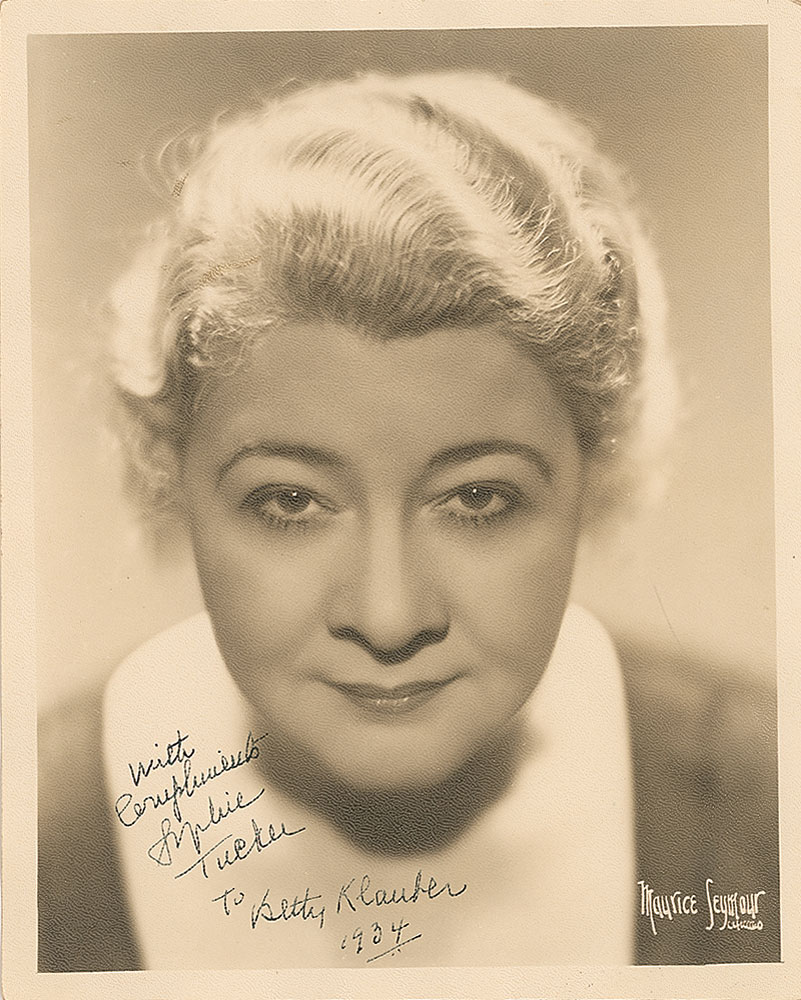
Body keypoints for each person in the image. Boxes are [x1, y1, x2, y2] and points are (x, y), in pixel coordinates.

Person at [38, 71, 780, 971]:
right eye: (289, 502)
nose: (388, 618)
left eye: (477, 499)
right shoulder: (32, 843)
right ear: (170, 474)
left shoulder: (763, 808)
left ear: (596, 466)